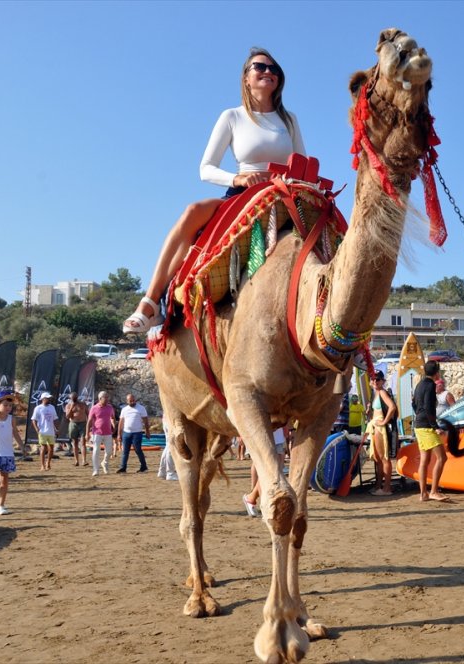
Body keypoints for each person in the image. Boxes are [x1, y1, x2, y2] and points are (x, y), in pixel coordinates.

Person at [123, 47, 306, 334]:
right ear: (246, 78)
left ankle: (350, 335)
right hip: (243, 194)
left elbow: (302, 163)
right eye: (260, 67)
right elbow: (206, 168)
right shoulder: (232, 116)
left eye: (274, 69)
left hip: (284, 195)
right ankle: (151, 302)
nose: (268, 72)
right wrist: (238, 179)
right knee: (192, 212)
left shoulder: (289, 119)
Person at [413, 360, 448, 502]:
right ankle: (433, 491)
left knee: (425, 460)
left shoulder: (419, 385)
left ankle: (423, 494)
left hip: (418, 424)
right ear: (436, 373)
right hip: (427, 427)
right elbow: (429, 407)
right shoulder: (430, 385)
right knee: (442, 458)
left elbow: (414, 403)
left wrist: (418, 414)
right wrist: (435, 427)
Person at [243, 425, 288, 516]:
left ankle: (253, 497)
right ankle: (260, 499)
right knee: (267, 467)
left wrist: (288, 429)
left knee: (276, 468)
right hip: (261, 435)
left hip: (277, 436)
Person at [366, 371, 397, 497]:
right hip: (375, 427)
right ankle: (379, 485)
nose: (375, 381)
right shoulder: (375, 393)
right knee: (378, 459)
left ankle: (386, 488)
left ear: (382, 381)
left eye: (377, 379)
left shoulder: (382, 392)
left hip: (380, 428)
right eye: (373, 379)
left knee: (384, 458)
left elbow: (392, 407)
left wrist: (384, 421)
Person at [116, 393, 150, 473]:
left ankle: (144, 467)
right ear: (127, 401)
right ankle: (123, 468)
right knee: (125, 451)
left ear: (135, 400)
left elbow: (145, 421)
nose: (132, 402)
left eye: (133, 400)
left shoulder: (141, 408)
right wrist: (119, 434)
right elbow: (121, 422)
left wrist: (147, 431)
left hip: (137, 433)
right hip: (126, 433)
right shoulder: (124, 409)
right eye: (130, 401)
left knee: (138, 450)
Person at [86, 391, 116, 475]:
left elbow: (112, 417)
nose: (107, 399)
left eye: (107, 397)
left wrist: (114, 425)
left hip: (108, 432)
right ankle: (96, 469)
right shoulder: (94, 408)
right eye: (105, 398)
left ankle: (105, 463)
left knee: (109, 451)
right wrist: (87, 433)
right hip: (97, 433)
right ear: (100, 399)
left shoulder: (110, 407)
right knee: (96, 450)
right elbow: (89, 421)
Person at [31, 392, 58, 471]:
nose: (49, 399)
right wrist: (37, 429)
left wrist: (57, 429)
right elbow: (34, 419)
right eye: (47, 398)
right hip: (42, 431)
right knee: (43, 448)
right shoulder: (38, 408)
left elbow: (55, 419)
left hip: (51, 431)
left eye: (49, 398)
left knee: (51, 448)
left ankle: (48, 463)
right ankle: (42, 465)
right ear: (43, 399)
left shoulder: (52, 407)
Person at [64, 392, 88, 466]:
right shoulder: (68, 405)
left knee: (83, 442)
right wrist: (72, 407)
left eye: (75, 397)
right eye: (72, 398)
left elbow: (88, 413)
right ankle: (76, 461)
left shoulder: (83, 404)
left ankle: (84, 461)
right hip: (73, 424)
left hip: (83, 423)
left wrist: (90, 425)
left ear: (77, 397)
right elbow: (67, 416)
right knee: (75, 443)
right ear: (70, 398)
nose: (74, 399)